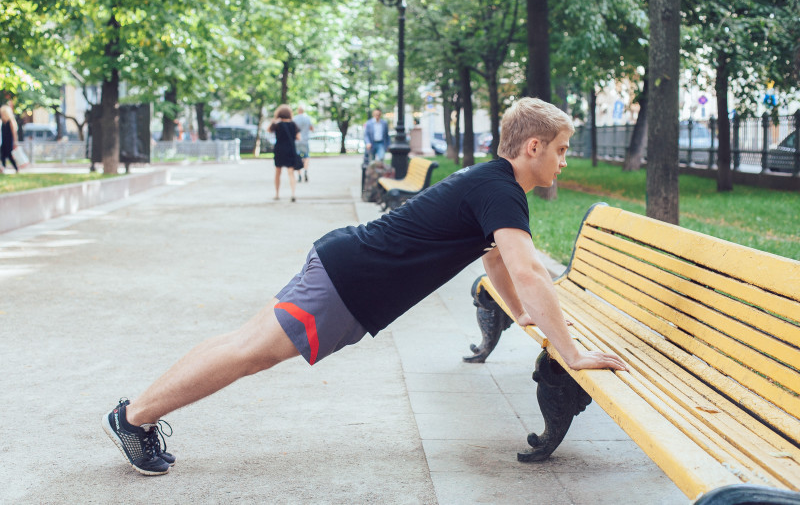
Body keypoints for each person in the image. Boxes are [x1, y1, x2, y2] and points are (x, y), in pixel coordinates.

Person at [101, 97, 627, 476]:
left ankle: (137, 413)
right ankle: (135, 417)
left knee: (239, 344)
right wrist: (572, 355)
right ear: (533, 146)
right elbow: (531, 270)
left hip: (343, 265)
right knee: (247, 353)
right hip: (349, 282)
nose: (564, 160)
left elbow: (496, 264)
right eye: (560, 149)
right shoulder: (503, 192)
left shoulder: (492, 183)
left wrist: (525, 315)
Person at [268, 104, 301, 202]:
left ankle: (277, 194)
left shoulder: (277, 124)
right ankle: (293, 193)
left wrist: (274, 121)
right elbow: (299, 137)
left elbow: (269, 130)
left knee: (278, 172)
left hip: (279, 149)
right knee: (291, 173)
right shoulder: (293, 124)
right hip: (290, 149)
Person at [293, 106, 314, 182]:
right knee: (306, 157)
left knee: (298, 157)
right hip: (305, 141)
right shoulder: (307, 118)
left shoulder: (294, 119)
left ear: (298, 111)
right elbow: (312, 128)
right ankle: (305, 170)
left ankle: (299, 175)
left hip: (297, 141)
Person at [0, 104, 20, 173]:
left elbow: (14, 133)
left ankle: (16, 168)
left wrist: (15, 142)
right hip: (4, 141)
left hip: (9, 141)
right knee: (2, 155)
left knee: (9, 155)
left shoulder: (11, 121)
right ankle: (3, 168)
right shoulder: (2, 121)